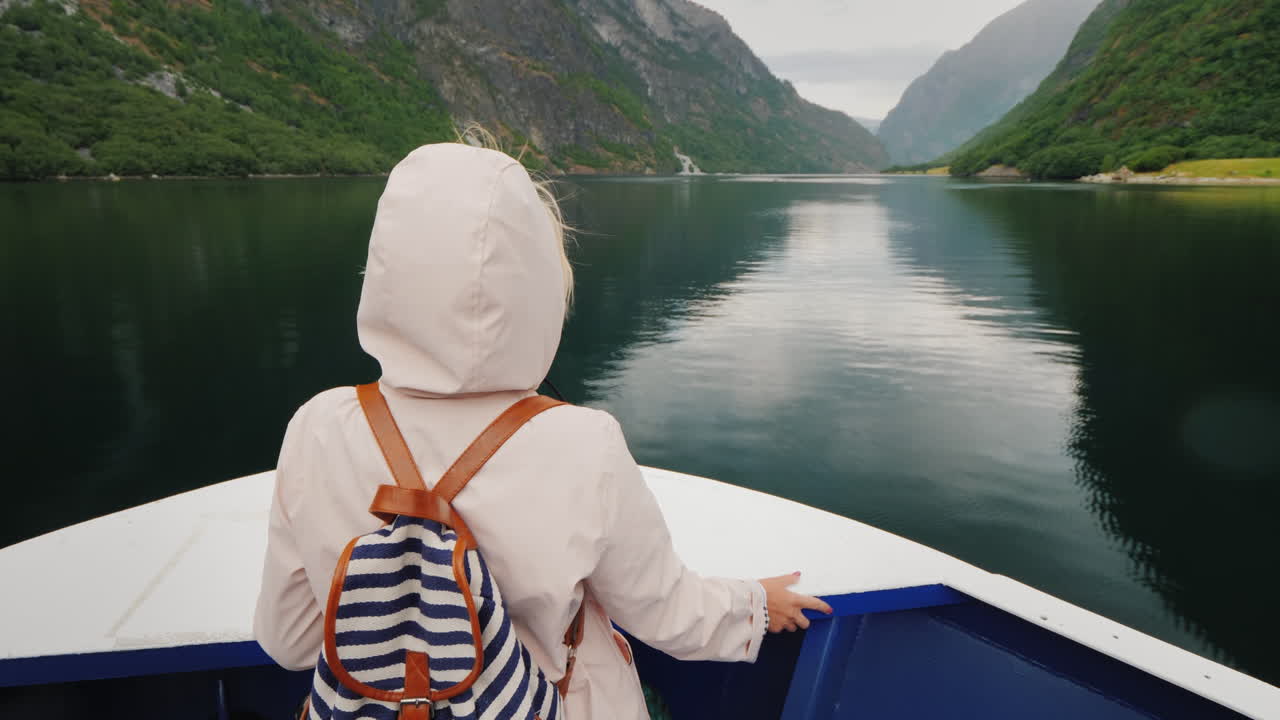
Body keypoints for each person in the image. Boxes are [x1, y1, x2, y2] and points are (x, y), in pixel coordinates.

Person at [253, 136, 832, 719]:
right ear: (536, 289)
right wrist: (756, 606)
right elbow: (667, 613)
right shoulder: (584, 444)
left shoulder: (318, 427)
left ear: (385, 273)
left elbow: (293, 640)